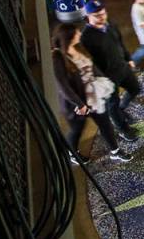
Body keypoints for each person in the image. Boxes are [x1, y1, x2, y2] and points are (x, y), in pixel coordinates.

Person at [50, 23, 128, 164]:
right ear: (68, 37)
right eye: (76, 33)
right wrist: (80, 104)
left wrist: (103, 82)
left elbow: (91, 66)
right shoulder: (58, 58)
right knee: (77, 130)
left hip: (93, 97)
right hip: (76, 104)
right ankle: (72, 153)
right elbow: (64, 87)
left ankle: (115, 151)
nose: (79, 34)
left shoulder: (78, 47)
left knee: (105, 123)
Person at [80, 0, 138, 140]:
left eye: (103, 13)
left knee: (135, 89)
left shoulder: (110, 24)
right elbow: (89, 64)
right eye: (97, 15)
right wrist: (101, 80)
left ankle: (121, 110)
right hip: (107, 78)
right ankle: (123, 129)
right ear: (88, 16)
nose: (102, 17)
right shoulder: (86, 38)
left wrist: (128, 58)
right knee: (113, 105)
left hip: (123, 68)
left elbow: (120, 43)